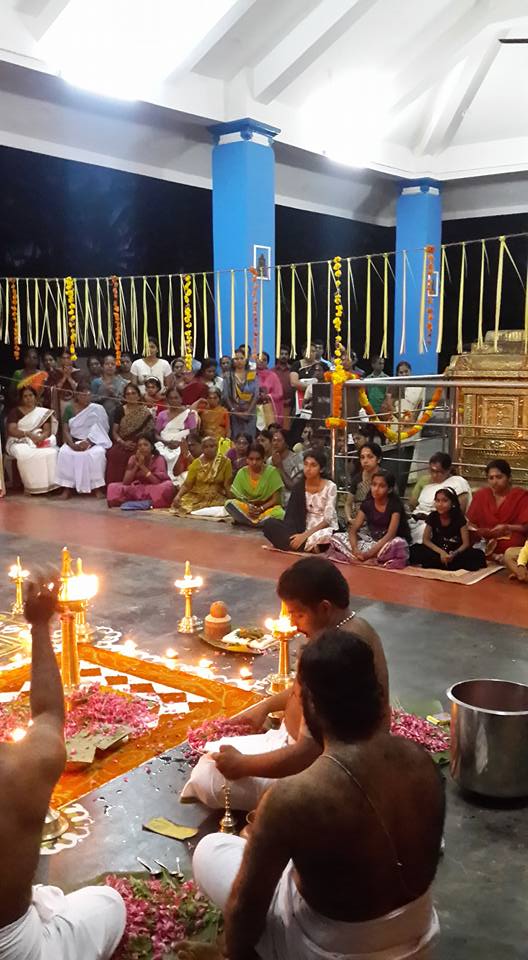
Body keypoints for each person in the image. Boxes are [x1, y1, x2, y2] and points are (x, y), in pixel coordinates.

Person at [193, 629, 444, 960]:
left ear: (311, 704)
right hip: (419, 936)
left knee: (209, 849)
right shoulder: (421, 762)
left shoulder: (295, 796)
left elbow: (245, 911)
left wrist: (230, 952)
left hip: (331, 951)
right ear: (377, 694)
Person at [181, 557, 389, 811]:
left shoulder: (339, 652)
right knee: (215, 755)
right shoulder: (347, 628)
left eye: (298, 614)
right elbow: (303, 692)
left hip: (323, 774)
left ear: (324, 608)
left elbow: (308, 752)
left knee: (206, 777)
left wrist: (242, 765)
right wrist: (265, 707)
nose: (292, 623)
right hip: (289, 743)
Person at [0, 577, 125, 959]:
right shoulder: (17, 770)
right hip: (15, 948)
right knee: (108, 904)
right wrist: (40, 626)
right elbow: (49, 714)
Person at [329, 469, 410, 568]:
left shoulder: (394, 505)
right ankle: (364, 558)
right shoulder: (367, 504)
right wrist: (355, 550)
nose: (376, 489)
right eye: (374, 484)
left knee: (399, 544)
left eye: (381, 486)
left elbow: (390, 535)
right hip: (370, 541)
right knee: (336, 537)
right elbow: (353, 530)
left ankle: (372, 558)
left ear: (389, 490)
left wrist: (369, 554)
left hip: (386, 544)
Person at [262, 450, 338, 553]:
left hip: (322, 528)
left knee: (328, 537)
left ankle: (299, 545)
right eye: (306, 464)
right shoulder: (299, 486)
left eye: (313, 465)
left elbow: (328, 520)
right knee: (269, 524)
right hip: (301, 527)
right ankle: (303, 546)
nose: (308, 468)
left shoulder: (330, 486)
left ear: (321, 469)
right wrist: (297, 533)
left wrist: (304, 536)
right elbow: (291, 516)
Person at [410, 488, 487, 571]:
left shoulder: (459, 518)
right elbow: (426, 540)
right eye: (437, 501)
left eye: (444, 501)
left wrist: (454, 554)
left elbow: (465, 543)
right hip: (438, 549)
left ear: (452, 503)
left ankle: (444, 563)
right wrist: (441, 553)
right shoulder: (433, 516)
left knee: (477, 555)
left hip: (455, 551)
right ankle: (444, 564)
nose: (440, 504)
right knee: (414, 550)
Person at [55, 385, 111, 498]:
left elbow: (103, 429)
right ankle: (67, 488)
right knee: (64, 452)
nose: (86, 398)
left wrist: (90, 442)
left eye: (89, 395)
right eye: (83, 395)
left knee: (97, 454)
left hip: (94, 441)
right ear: (77, 395)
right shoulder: (69, 409)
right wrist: (71, 444)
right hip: (74, 441)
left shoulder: (97, 409)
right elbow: (65, 429)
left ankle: (97, 488)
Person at [467, 459, 528, 559]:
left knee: (513, 544)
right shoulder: (481, 495)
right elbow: (471, 524)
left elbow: (526, 527)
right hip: (485, 539)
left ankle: (494, 556)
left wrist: (507, 527)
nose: (495, 482)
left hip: (509, 537)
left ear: (509, 478)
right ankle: (494, 556)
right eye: (491, 478)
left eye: (499, 477)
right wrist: (480, 532)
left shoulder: (521, 496)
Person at [409, 452, 472, 544]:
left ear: (448, 470)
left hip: (438, 523)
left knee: (424, 532)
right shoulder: (426, 482)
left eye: (439, 472)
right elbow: (413, 504)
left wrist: (431, 518)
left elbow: (459, 511)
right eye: (432, 471)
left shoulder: (457, 483)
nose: (434, 475)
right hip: (416, 519)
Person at [5, 386, 58, 495]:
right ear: (21, 399)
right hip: (18, 440)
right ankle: (31, 487)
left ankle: (50, 486)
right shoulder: (15, 412)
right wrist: (28, 434)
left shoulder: (43, 412)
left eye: (31, 395)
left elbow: (47, 430)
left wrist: (40, 438)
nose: (28, 398)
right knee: (25, 454)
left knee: (51, 452)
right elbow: (12, 430)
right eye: (25, 396)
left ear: (35, 397)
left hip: (38, 439)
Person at [225, 441, 284, 527]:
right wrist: (249, 508)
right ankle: (257, 522)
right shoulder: (242, 472)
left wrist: (261, 509)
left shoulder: (272, 472)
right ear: (246, 459)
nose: (254, 462)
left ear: (263, 458)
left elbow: (275, 499)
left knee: (280, 513)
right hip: (248, 510)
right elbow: (238, 497)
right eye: (251, 459)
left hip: (266, 510)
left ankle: (250, 521)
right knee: (229, 503)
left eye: (258, 459)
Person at [107, 434, 175, 508]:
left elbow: (156, 482)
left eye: (145, 445)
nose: (142, 447)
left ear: (152, 447)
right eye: (139, 445)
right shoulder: (133, 458)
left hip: (153, 487)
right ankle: (143, 501)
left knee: (167, 486)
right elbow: (126, 482)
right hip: (137, 487)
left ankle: (140, 501)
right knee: (112, 487)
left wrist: (142, 466)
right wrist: (137, 465)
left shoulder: (159, 459)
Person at [105, 382, 154, 485]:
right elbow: (114, 432)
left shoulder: (145, 412)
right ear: (124, 396)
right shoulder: (120, 410)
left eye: (133, 393)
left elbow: (149, 432)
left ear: (138, 395)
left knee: (138, 455)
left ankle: (132, 485)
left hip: (139, 442)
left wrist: (139, 444)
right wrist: (123, 443)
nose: (131, 396)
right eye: (128, 394)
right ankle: (114, 487)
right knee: (113, 454)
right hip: (122, 441)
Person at [171, 436, 232, 516]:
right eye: (206, 447)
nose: (209, 449)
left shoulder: (225, 462)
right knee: (181, 505)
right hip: (197, 496)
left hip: (216, 496)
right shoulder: (196, 463)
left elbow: (227, 484)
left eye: (212, 446)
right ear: (202, 449)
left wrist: (231, 500)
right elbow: (187, 484)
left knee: (225, 508)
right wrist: (178, 496)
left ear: (217, 447)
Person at [154, 386, 199, 481]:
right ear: (167, 399)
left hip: (182, 445)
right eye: (170, 398)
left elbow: (193, 434)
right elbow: (156, 434)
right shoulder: (162, 415)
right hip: (163, 444)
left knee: (181, 457)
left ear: (181, 399)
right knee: (158, 455)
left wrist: (181, 444)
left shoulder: (189, 414)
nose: (173, 401)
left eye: (176, 398)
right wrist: (167, 442)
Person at [345, 441, 383, 522]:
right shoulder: (357, 479)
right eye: (362, 457)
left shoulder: (386, 478)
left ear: (378, 459)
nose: (365, 461)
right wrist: (349, 519)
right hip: (358, 521)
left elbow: (394, 505)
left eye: (370, 457)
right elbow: (348, 504)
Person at [223, 349, 258, 437]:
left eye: (241, 358)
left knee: (250, 438)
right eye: (236, 359)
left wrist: (248, 412)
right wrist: (234, 411)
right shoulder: (228, 376)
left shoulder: (252, 374)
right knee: (237, 439)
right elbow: (226, 396)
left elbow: (256, 394)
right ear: (232, 361)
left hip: (250, 412)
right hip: (235, 413)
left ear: (246, 360)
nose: (239, 361)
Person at [268, 428, 303, 506]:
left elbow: (294, 487)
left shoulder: (297, 461)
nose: (275, 443)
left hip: (291, 504)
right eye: (274, 440)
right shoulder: (270, 460)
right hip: (273, 504)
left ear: (286, 443)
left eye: (279, 441)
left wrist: (280, 467)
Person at [90, 354, 126, 420]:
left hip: (118, 417)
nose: (110, 366)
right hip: (99, 416)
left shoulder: (123, 382)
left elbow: (125, 401)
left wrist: (114, 394)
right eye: (107, 364)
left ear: (116, 367)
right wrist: (105, 395)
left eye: (112, 364)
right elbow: (91, 401)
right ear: (102, 366)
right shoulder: (96, 382)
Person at [256, 352, 284, 426]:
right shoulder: (250, 375)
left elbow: (279, 394)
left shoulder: (272, 376)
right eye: (259, 359)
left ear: (267, 362)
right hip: (253, 407)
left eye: (264, 360)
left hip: (269, 408)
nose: (261, 361)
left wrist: (267, 396)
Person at [273, 345, 294, 429]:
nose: (284, 356)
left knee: (286, 429)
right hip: (274, 405)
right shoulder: (272, 371)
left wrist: (291, 400)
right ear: (277, 355)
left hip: (289, 405)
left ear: (289, 356)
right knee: (274, 428)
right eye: (281, 354)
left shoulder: (293, 370)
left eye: (286, 354)